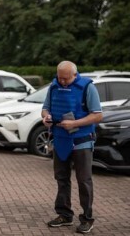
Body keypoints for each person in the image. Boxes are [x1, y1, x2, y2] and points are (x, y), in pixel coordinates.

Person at [42, 61, 102, 234]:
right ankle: (64, 214)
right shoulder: (53, 87)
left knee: (84, 181)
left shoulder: (87, 88)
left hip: (81, 141)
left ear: (75, 75)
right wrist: (46, 118)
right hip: (60, 140)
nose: (62, 81)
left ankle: (87, 218)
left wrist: (75, 123)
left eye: (65, 79)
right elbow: (45, 109)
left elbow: (98, 116)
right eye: (59, 77)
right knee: (61, 178)